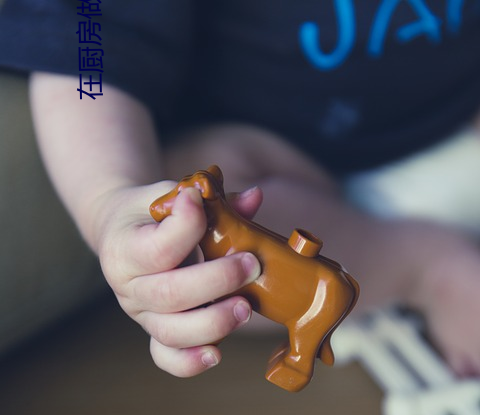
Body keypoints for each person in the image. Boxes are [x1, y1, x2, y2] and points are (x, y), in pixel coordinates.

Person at [1, 0, 480, 376]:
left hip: (462, 110)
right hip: (274, 162)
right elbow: (87, 46)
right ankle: (425, 266)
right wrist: (110, 199)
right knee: (194, 221)